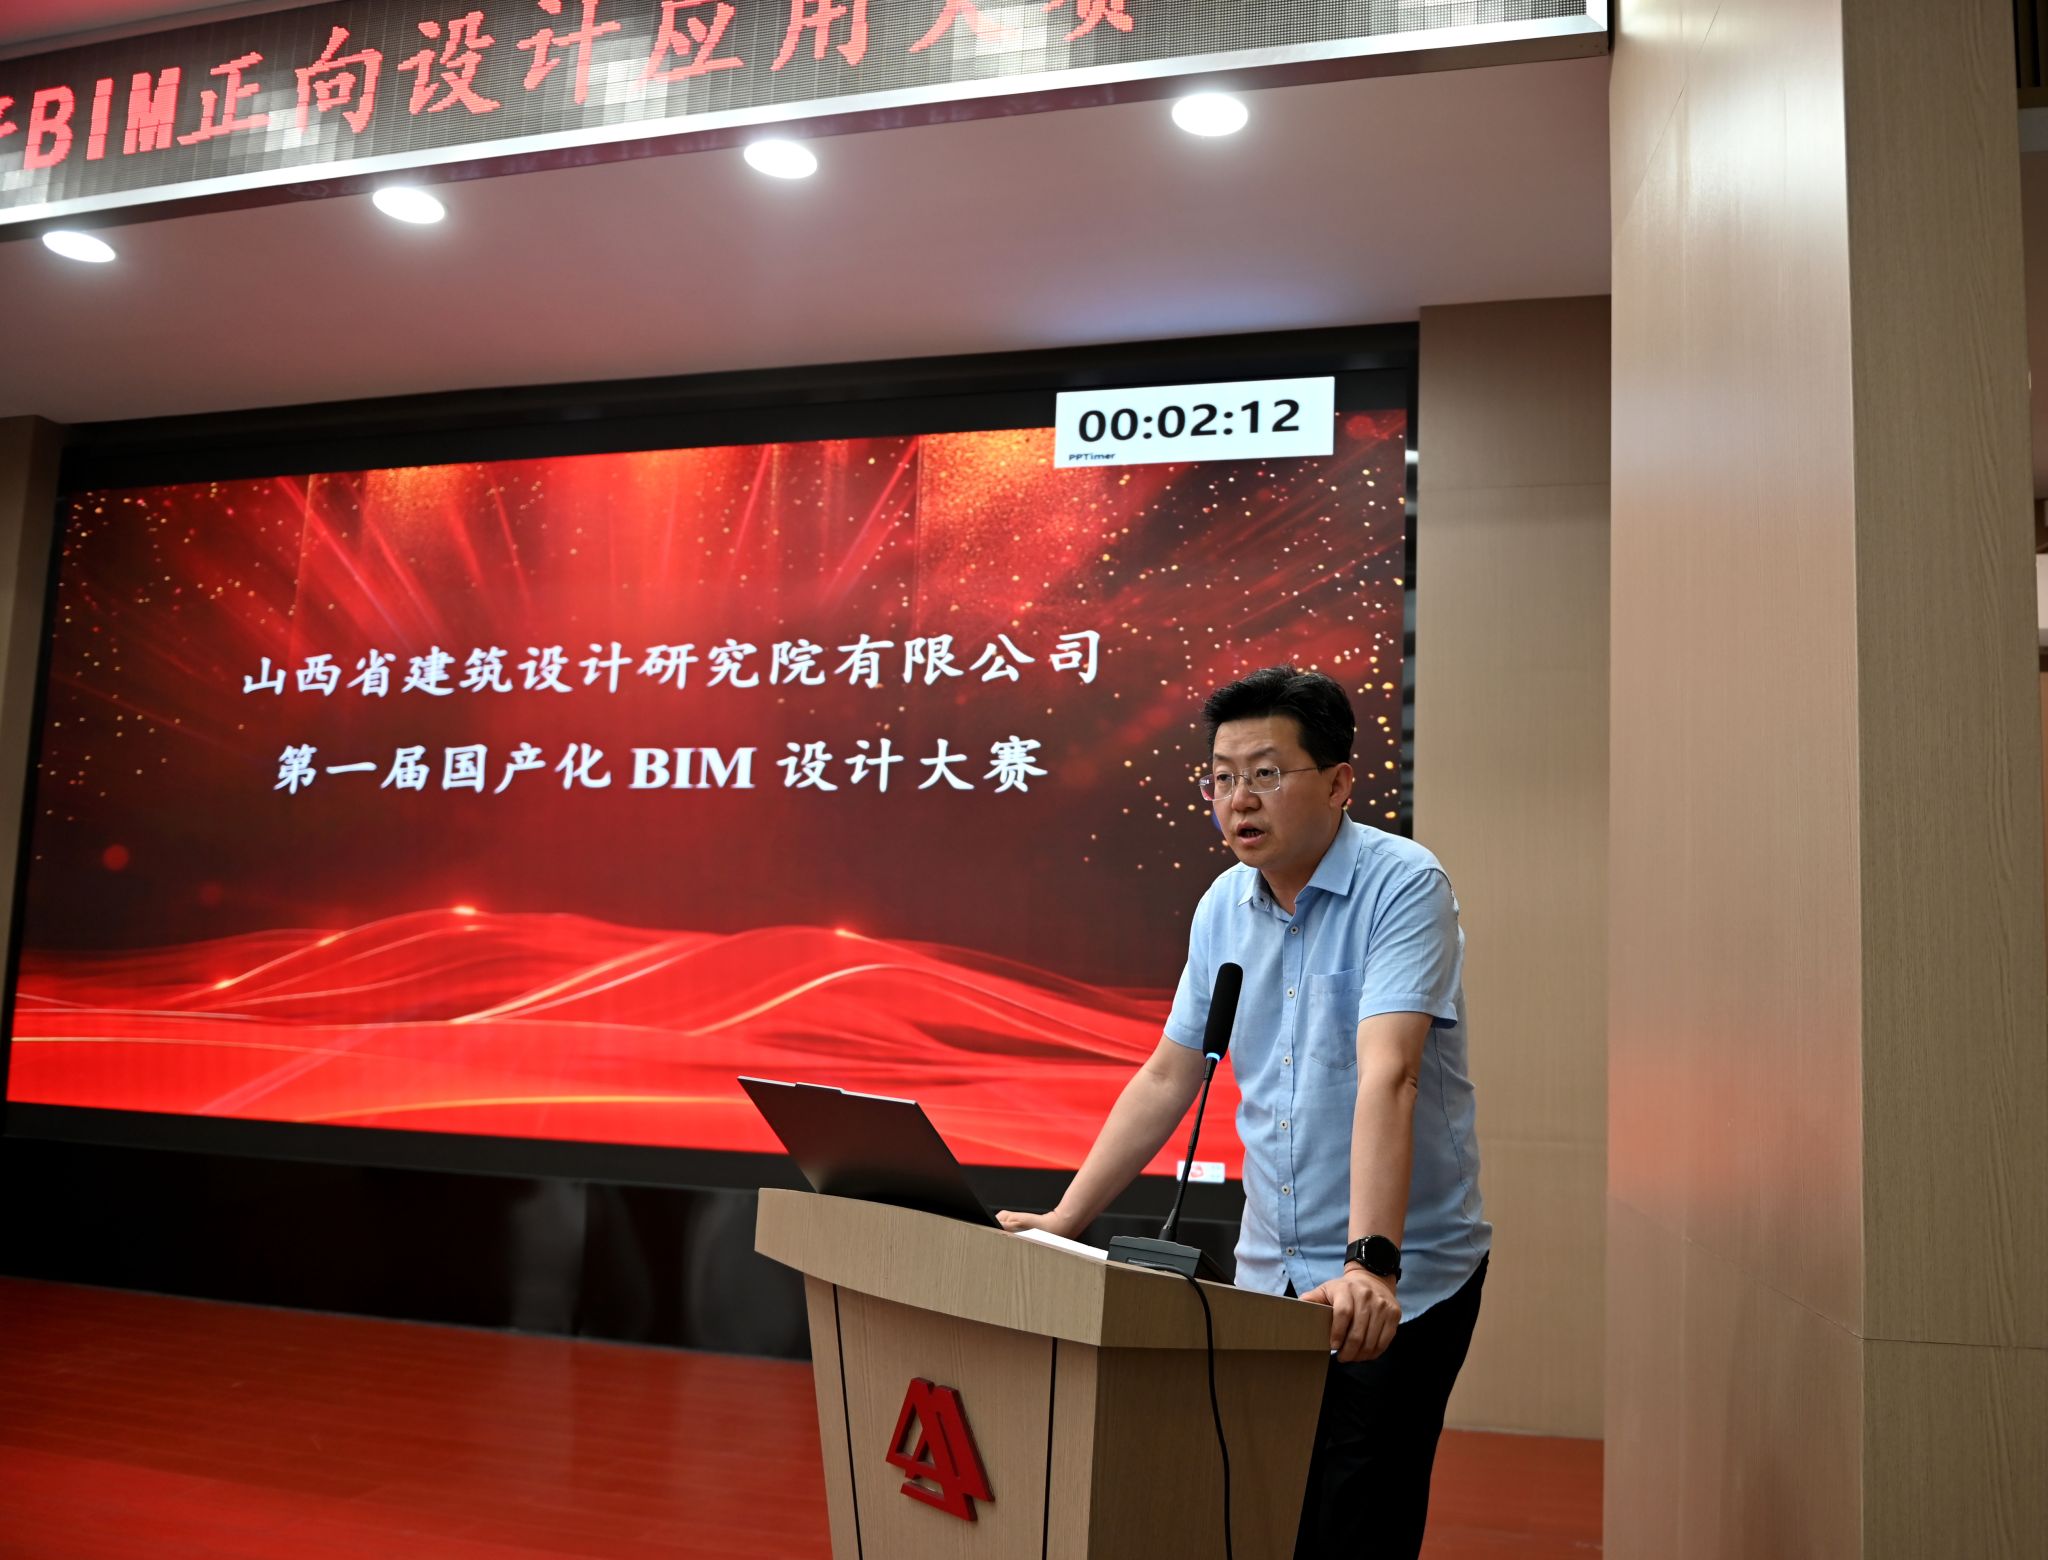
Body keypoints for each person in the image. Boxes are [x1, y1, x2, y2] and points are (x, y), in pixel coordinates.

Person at [999, 665, 1489, 1560]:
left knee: (1356, 1524)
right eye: (1222, 778)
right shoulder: (1223, 904)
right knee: (1262, 1512)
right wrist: (1067, 1220)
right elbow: (1168, 1076)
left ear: (1339, 782)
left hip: (1398, 1283)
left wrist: (1370, 1263)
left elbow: (1391, 1075)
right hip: (1270, 1274)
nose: (1239, 800)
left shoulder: (1403, 885)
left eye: (1266, 773)